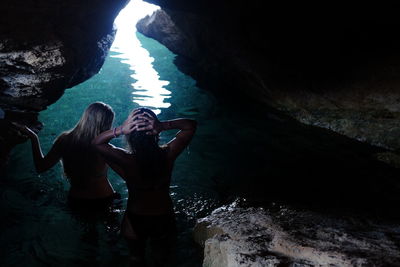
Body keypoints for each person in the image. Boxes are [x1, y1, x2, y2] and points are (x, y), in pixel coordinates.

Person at [92, 107, 197, 266]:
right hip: (163, 216)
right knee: (161, 260)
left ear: (130, 135)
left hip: (135, 218)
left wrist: (120, 129)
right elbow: (190, 125)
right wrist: (163, 125)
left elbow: (97, 143)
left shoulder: (126, 160)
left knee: (136, 259)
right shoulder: (167, 154)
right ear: (155, 132)